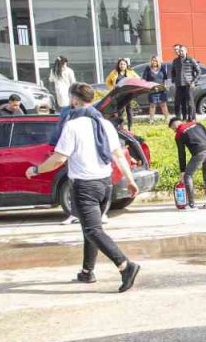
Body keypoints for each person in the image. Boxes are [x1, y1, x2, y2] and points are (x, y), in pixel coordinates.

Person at [27, 83, 142, 292]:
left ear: (74, 100)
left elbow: (58, 159)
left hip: (85, 186)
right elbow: (118, 155)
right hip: (105, 185)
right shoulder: (105, 124)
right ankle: (87, 272)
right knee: (89, 227)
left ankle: (125, 265)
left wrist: (36, 170)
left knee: (92, 229)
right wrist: (130, 180)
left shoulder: (73, 125)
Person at [170, 117, 206, 209]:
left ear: (174, 126)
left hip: (199, 152)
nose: (174, 131)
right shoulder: (196, 124)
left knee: (188, 176)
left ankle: (191, 205)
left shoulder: (179, 133)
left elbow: (181, 153)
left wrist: (182, 170)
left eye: (173, 129)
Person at [104, 58, 140, 129]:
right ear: (118, 65)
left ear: (126, 65)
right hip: (118, 94)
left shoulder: (130, 72)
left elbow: (138, 79)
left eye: (124, 64)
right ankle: (121, 126)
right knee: (120, 110)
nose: (122, 65)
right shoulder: (114, 72)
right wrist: (112, 88)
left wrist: (133, 87)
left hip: (128, 93)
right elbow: (107, 81)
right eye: (121, 64)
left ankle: (130, 126)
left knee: (129, 110)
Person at [170, 44, 202, 121]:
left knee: (190, 103)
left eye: (182, 51)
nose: (180, 52)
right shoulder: (175, 61)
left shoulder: (191, 59)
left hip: (188, 84)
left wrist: (193, 82)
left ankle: (191, 118)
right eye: (180, 51)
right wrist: (174, 80)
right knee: (179, 102)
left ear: (186, 51)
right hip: (179, 85)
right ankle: (181, 118)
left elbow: (198, 71)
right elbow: (173, 72)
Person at [143, 56, 171, 122]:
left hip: (161, 90)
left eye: (156, 60)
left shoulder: (162, 68)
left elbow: (166, 79)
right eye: (153, 60)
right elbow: (144, 79)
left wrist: (166, 87)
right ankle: (151, 120)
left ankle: (167, 119)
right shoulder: (148, 68)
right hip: (152, 90)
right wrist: (148, 87)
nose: (154, 62)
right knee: (152, 105)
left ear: (158, 61)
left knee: (163, 104)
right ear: (151, 61)